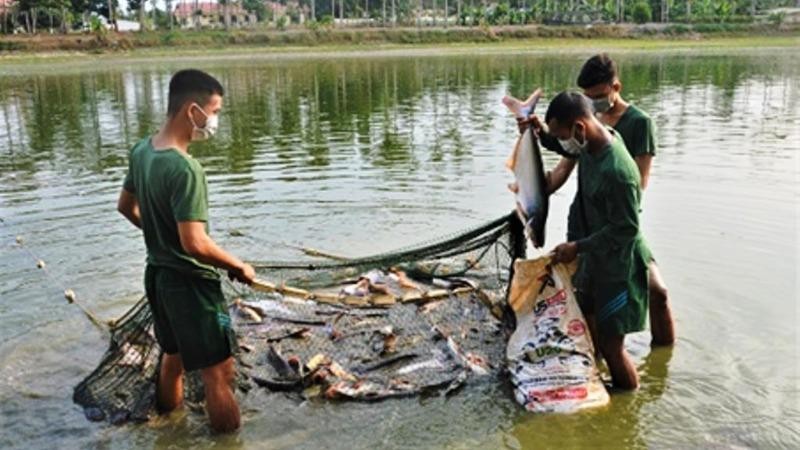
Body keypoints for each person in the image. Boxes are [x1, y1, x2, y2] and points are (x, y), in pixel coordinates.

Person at [116, 69, 255, 433]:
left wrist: (160, 234)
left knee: (173, 358)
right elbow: (195, 243)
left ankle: (170, 431)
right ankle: (229, 443)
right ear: (193, 111)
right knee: (219, 372)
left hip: (158, 279)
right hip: (191, 285)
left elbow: (126, 207)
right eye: (216, 111)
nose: (215, 120)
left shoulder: (142, 151)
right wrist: (238, 265)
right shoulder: (185, 168)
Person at [525, 54, 675, 347]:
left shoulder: (636, 125)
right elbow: (566, 161)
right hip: (584, 220)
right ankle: (595, 357)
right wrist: (539, 185)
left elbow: (640, 183)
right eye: (588, 98)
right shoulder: (585, 126)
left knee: (658, 292)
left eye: (598, 97)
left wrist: (613, 197)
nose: (594, 104)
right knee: (588, 300)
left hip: (618, 219)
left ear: (614, 87)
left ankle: (662, 358)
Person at [545, 92, 649, 390]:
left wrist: (577, 247)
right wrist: (537, 132)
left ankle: (627, 405)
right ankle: (596, 380)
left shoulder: (617, 171)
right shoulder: (590, 144)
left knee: (612, 344)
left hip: (620, 267)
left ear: (579, 127)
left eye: (563, 135)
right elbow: (558, 142)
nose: (563, 143)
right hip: (595, 258)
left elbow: (626, 229)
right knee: (589, 324)